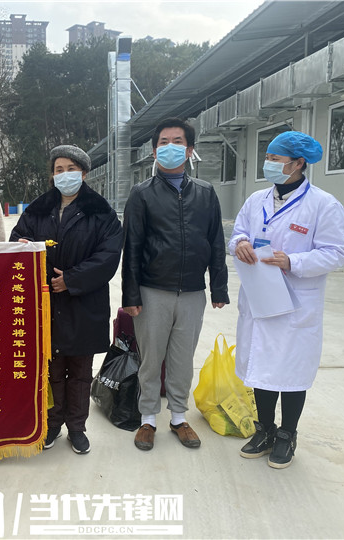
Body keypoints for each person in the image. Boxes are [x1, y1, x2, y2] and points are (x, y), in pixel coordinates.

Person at [230, 131, 344, 469]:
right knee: (261, 369)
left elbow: (337, 253)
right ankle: (265, 430)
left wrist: (293, 261)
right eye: (267, 158)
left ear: (298, 164)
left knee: (292, 373)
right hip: (260, 297)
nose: (268, 164)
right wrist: (239, 243)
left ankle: (287, 434)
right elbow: (238, 232)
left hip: (296, 303)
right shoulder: (256, 200)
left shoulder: (323, 204)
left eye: (276, 159)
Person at [121, 117, 229, 452]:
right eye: (163, 142)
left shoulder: (206, 193)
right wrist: (131, 294)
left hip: (192, 292)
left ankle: (179, 417)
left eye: (177, 141)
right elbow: (132, 246)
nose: (170, 148)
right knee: (151, 359)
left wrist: (219, 287)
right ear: (155, 152)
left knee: (182, 359)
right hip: (153, 290)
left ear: (190, 150)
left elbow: (216, 241)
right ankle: (148, 419)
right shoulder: (142, 194)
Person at [10, 145, 123, 455]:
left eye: (70, 169)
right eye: (58, 169)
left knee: (80, 372)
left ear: (83, 173)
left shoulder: (100, 211)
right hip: (46, 303)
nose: (64, 175)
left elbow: (108, 256)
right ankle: (52, 423)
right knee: (52, 370)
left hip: (84, 303)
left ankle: (77, 427)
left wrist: (71, 280)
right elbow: (16, 240)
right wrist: (21, 246)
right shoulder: (37, 209)